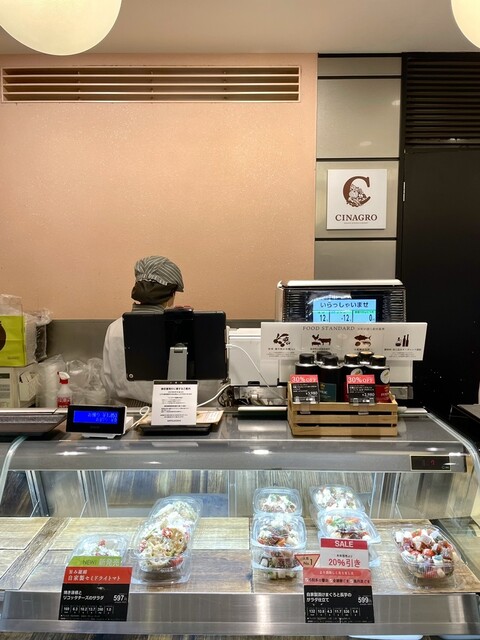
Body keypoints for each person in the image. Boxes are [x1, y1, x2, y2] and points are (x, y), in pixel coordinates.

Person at [103, 255, 184, 404]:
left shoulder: (115, 328)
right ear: (171, 294)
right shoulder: (181, 328)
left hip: (131, 412)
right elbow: (206, 387)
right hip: (177, 410)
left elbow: (110, 385)